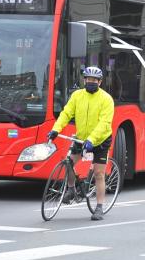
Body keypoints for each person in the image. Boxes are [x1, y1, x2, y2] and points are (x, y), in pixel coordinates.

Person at [47, 66, 114, 221]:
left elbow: (105, 123)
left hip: (101, 139)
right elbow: (66, 113)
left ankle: (99, 207)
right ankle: (71, 190)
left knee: (98, 174)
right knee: (69, 163)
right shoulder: (77, 95)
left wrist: (92, 140)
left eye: (95, 80)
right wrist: (55, 129)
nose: (91, 82)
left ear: (100, 82)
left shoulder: (106, 99)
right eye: (88, 79)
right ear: (84, 80)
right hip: (81, 137)